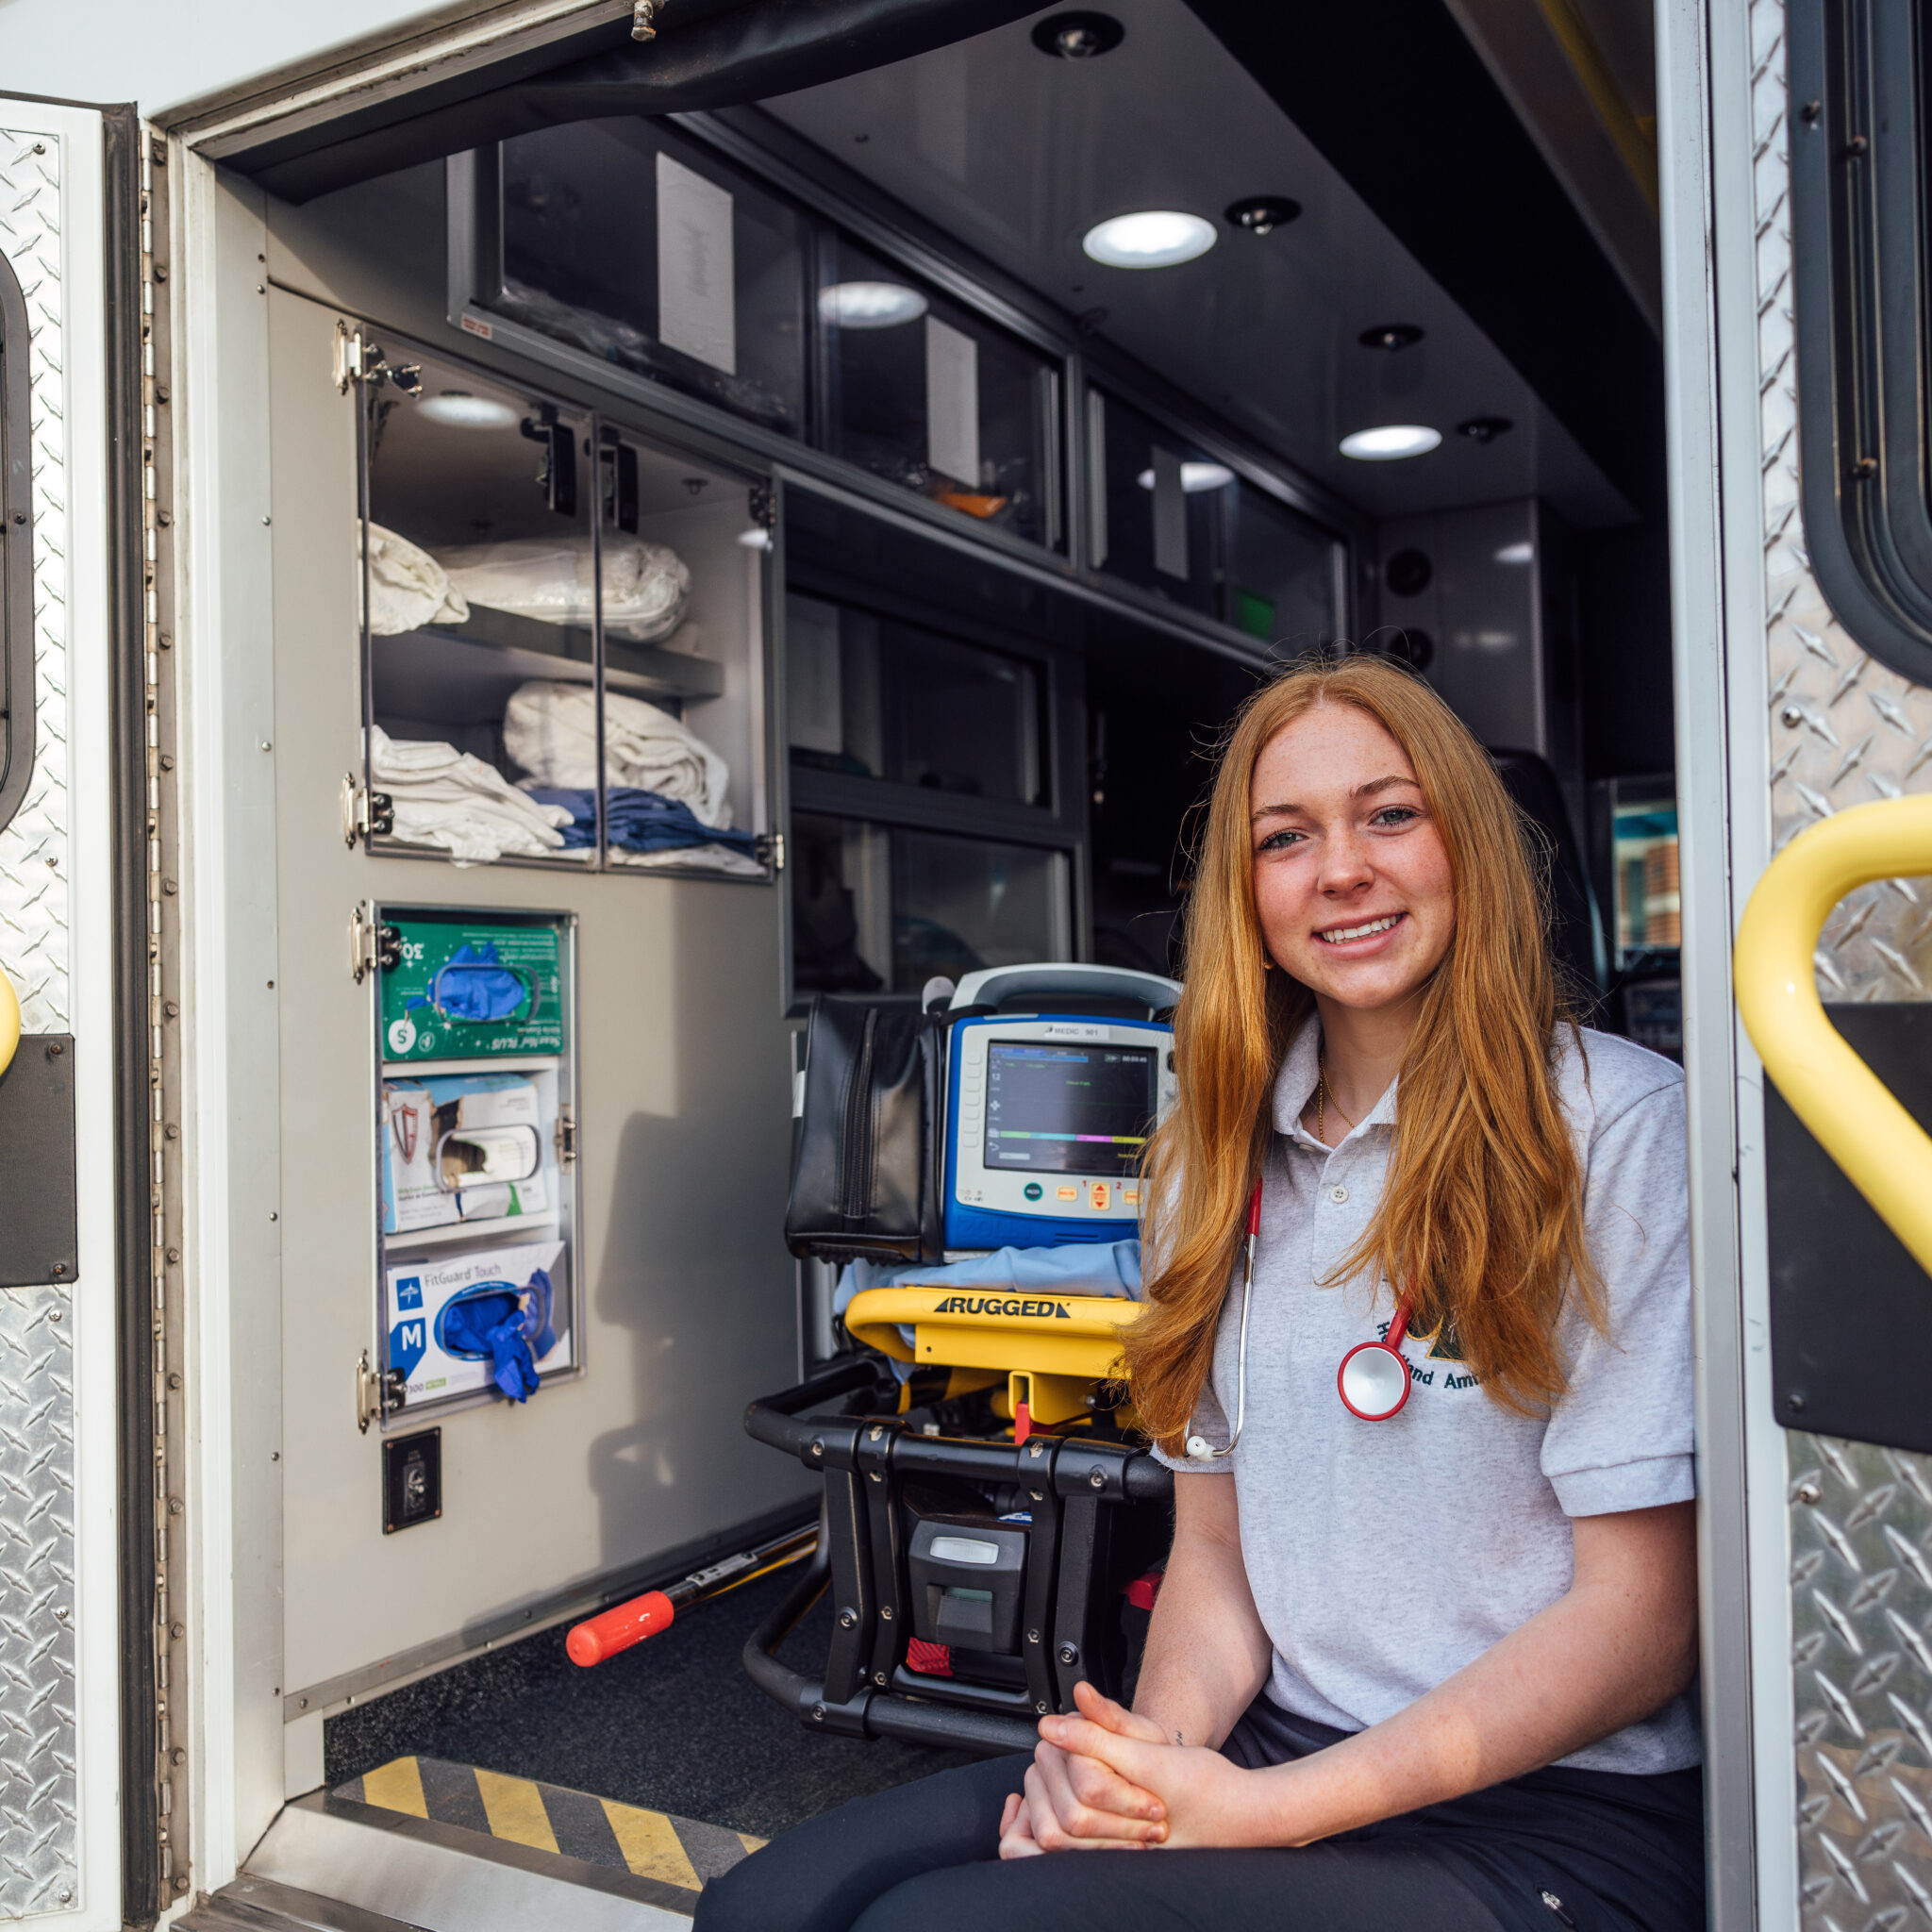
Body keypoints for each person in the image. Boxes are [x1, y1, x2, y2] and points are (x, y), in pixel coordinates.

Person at [698, 656, 1700, 1932]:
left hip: (1552, 1815)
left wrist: (1253, 1814)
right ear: (1247, 890)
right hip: (1274, 1748)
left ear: (1471, 846)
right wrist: (1141, 1762)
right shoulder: (1208, 1160)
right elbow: (1216, 1555)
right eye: (1288, 838)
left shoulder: (1615, 1129)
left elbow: (1645, 1618)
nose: (1342, 868)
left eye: (1391, 815)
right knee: (763, 1911)